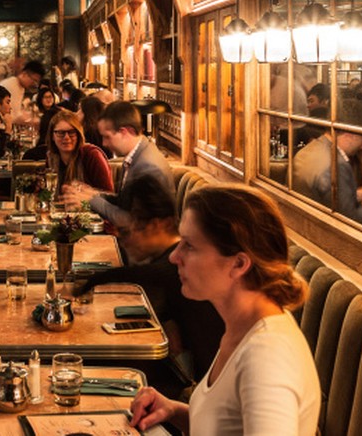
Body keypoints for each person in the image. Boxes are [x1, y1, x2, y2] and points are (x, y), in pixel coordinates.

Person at [128, 185, 318, 434]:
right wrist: (174, 411)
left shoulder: (267, 355)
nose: (174, 256)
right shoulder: (242, 327)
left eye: (189, 246)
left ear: (238, 264)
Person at [78, 176, 223, 382]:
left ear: (158, 225)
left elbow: (143, 276)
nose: (125, 239)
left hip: (194, 382)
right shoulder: (171, 262)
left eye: (130, 229)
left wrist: (83, 287)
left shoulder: (176, 267)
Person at [61, 101, 172, 231]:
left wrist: (91, 201)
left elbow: (133, 221)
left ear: (124, 132)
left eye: (107, 137)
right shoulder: (137, 154)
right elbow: (125, 202)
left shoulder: (148, 167)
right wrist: (92, 194)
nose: (104, 143)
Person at [292, 99, 362, 226]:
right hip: (321, 231)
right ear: (351, 132)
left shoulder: (310, 149)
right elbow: (351, 221)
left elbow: (325, 197)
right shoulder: (337, 165)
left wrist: (359, 194)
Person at [45, 109, 113, 193]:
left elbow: (108, 195)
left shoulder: (92, 155)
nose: (66, 137)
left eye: (71, 132)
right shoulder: (51, 158)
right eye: (60, 133)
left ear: (78, 134)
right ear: (52, 136)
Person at [0, 60, 45, 128]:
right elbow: (13, 116)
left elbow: (16, 112)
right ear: (24, 74)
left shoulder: (20, 87)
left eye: (36, 82)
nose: (34, 84)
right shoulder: (11, 85)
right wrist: (33, 121)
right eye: (34, 80)